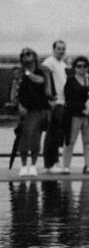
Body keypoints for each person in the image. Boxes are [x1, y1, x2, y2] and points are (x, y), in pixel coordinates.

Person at [8, 48, 51, 176]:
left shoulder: (41, 71)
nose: (25, 57)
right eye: (23, 55)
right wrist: (18, 105)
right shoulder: (18, 73)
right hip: (25, 109)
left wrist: (27, 73)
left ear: (34, 56)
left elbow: (40, 81)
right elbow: (13, 92)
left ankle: (33, 165)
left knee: (36, 138)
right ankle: (23, 165)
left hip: (40, 108)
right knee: (24, 137)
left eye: (28, 54)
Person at [62, 55, 89, 174]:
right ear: (75, 68)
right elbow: (68, 98)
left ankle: (88, 165)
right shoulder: (70, 81)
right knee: (70, 141)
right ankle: (66, 166)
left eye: (84, 66)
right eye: (79, 66)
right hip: (75, 114)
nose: (82, 68)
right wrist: (86, 94)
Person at [40, 40, 70, 171]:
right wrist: (48, 99)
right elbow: (45, 83)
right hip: (54, 102)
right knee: (52, 133)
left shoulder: (63, 64)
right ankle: (49, 164)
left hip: (64, 102)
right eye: (59, 48)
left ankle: (55, 162)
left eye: (63, 49)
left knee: (59, 133)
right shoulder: (48, 63)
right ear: (53, 49)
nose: (61, 51)